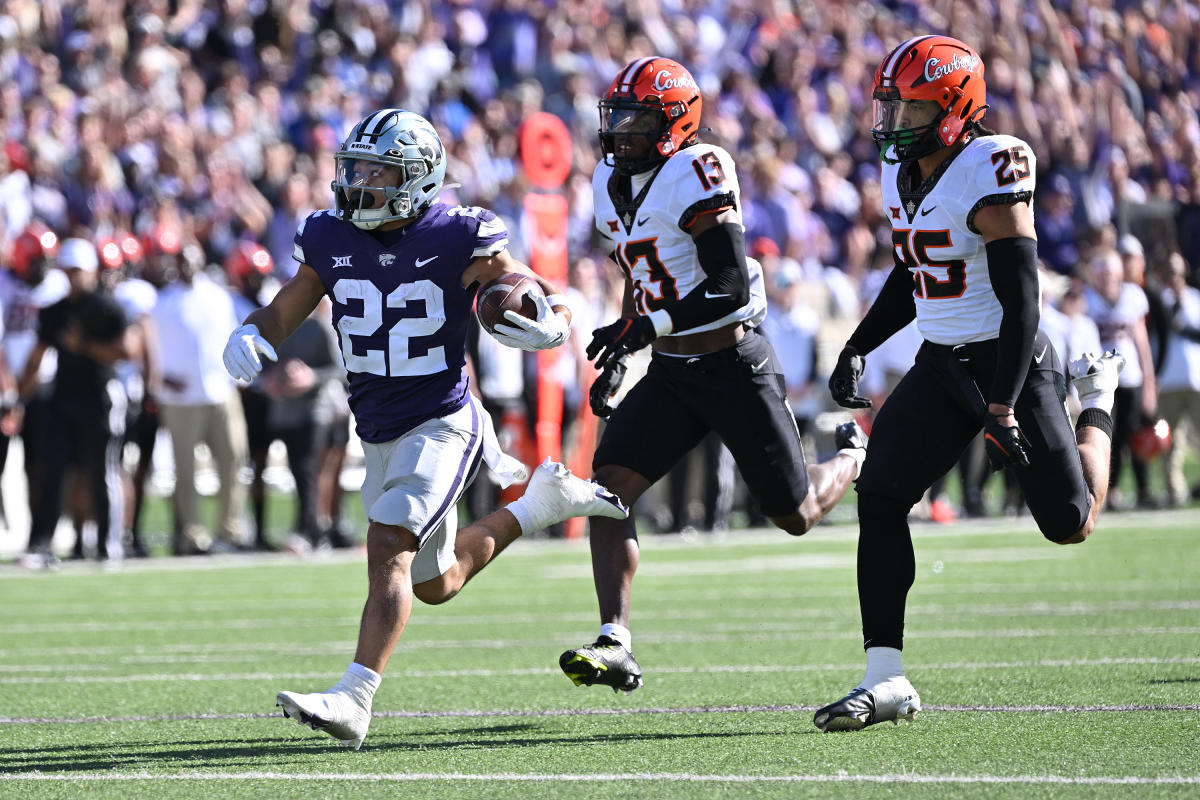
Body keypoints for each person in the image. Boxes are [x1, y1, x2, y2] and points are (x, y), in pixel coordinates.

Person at [221, 108, 628, 749]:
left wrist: (551, 313)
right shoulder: (328, 234)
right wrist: (254, 332)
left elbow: (521, 282)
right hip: (377, 427)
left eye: (378, 172)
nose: (361, 183)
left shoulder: (461, 232)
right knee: (435, 584)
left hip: (443, 421)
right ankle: (542, 504)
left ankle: (354, 698)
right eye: (355, 169)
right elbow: (290, 302)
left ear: (418, 178)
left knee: (388, 546)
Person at [816, 36, 1125, 732]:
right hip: (942, 360)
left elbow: (1023, 304)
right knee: (884, 494)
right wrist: (858, 344)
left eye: (912, 107)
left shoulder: (992, 163)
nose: (894, 121)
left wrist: (1004, 405)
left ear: (955, 106)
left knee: (1069, 524)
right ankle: (884, 676)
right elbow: (915, 271)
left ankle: (1098, 404)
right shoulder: (908, 176)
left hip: (1009, 361)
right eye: (890, 106)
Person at [558, 58, 867, 693]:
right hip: (673, 371)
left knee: (797, 511)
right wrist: (624, 351)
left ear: (675, 124)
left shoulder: (698, 169)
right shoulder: (607, 180)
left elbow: (727, 285)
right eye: (615, 118)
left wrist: (644, 330)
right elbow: (640, 276)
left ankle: (853, 457)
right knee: (607, 489)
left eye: (636, 121)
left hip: (732, 361)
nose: (619, 133)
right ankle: (615, 639)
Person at [16, 237, 132, 565]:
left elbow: (126, 351)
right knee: (50, 471)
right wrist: (18, 399)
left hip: (99, 397)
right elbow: (36, 358)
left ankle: (110, 544)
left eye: (78, 270)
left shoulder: (106, 307)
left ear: (92, 270)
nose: (73, 277)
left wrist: (85, 347)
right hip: (63, 398)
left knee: (101, 471)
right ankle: (41, 543)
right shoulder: (55, 311)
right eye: (68, 271)